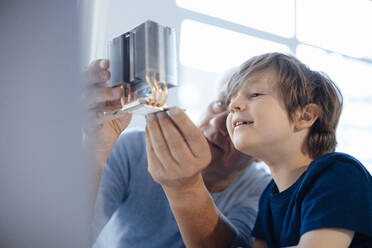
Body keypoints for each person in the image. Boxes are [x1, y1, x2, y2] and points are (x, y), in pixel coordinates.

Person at [146, 52, 372, 247]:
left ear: (305, 116)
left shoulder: (338, 173)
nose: (233, 107)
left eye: (254, 95)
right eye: (231, 100)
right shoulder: (269, 195)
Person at [83, 59, 271, 247]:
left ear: (260, 154)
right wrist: (97, 149)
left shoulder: (265, 192)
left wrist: (186, 188)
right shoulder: (133, 149)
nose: (216, 123)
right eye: (221, 104)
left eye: (242, 121)